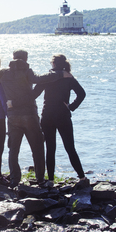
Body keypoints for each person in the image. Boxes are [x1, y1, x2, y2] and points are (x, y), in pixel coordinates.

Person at [0, 49, 70, 188]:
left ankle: (14, 179)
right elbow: (41, 79)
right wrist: (60, 73)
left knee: (13, 149)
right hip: (29, 114)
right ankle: (40, 179)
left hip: (13, 115)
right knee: (37, 147)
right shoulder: (27, 71)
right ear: (25, 59)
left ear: (13, 58)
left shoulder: (4, 73)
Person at [33, 54, 86, 188]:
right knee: (70, 147)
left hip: (47, 115)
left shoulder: (48, 77)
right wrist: (71, 106)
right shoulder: (69, 77)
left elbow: (34, 94)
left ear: (54, 64)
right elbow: (82, 93)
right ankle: (82, 177)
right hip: (63, 115)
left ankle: (50, 180)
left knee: (50, 148)